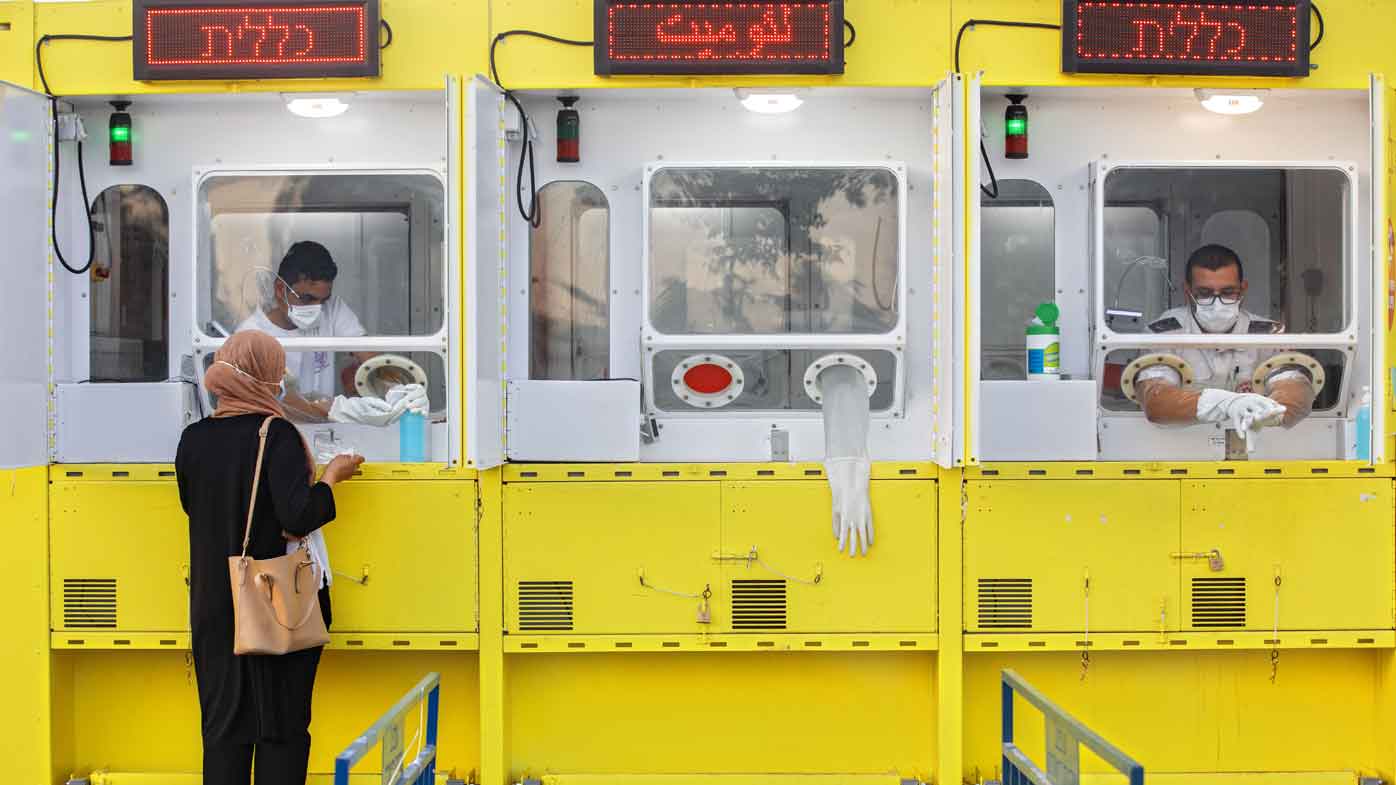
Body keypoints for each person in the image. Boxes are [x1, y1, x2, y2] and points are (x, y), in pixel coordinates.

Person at [176, 330, 364, 785]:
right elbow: (298, 516)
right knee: (280, 731)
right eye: (276, 373)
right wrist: (332, 477)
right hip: (275, 604)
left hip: (214, 608)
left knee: (223, 733)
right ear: (263, 377)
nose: (280, 381)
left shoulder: (192, 439)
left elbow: (195, 507)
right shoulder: (274, 434)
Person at [1135, 244, 1316, 433]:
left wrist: (1271, 414)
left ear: (1243, 289)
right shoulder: (1164, 335)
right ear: (1187, 291)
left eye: (1228, 292)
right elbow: (1156, 400)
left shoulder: (1268, 335)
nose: (1217, 302)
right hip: (1175, 448)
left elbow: (1295, 389)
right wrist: (1225, 404)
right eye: (1204, 293)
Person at [237, 241, 372, 421]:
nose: (317, 308)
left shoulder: (332, 309)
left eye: (323, 300)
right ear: (280, 289)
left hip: (325, 433)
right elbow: (285, 402)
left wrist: (387, 386)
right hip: (273, 435)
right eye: (307, 298)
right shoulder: (251, 335)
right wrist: (341, 411)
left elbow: (369, 355)